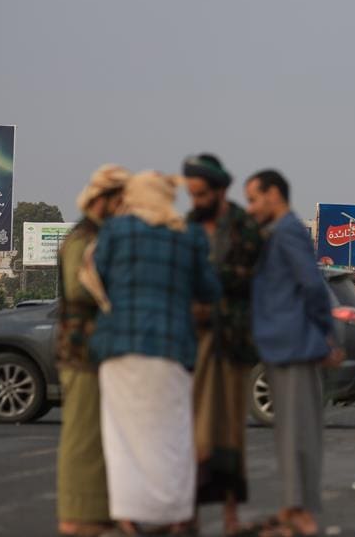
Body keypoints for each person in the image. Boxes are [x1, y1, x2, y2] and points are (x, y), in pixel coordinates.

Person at [89, 171, 221, 536]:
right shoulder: (188, 235)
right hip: (171, 345)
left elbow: (97, 275)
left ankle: (129, 517)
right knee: (173, 432)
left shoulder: (116, 231)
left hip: (119, 346)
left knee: (122, 435)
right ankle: (177, 515)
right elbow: (209, 289)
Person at [245, 169, 344, 537]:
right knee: (289, 435)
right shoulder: (276, 233)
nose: (251, 208)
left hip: (296, 347)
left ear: (274, 194)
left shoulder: (287, 231)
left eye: (254, 199)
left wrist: (326, 338)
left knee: (299, 436)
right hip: (281, 346)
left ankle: (302, 516)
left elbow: (313, 288)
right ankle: (292, 510)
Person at [183, 154, 262, 536]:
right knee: (192, 431)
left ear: (219, 189)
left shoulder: (243, 226)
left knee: (230, 432)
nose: (196, 200)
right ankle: (190, 515)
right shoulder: (188, 227)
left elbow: (253, 276)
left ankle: (231, 516)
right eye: (191, 194)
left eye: (201, 193)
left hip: (231, 340)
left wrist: (208, 283)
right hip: (193, 342)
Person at [56, 165, 130, 537]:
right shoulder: (82, 239)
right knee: (81, 437)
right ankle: (75, 515)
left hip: (98, 351)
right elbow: (79, 287)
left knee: (100, 438)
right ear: (102, 200)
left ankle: (96, 512)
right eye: (118, 200)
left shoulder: (100, 236)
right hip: (81, 350)